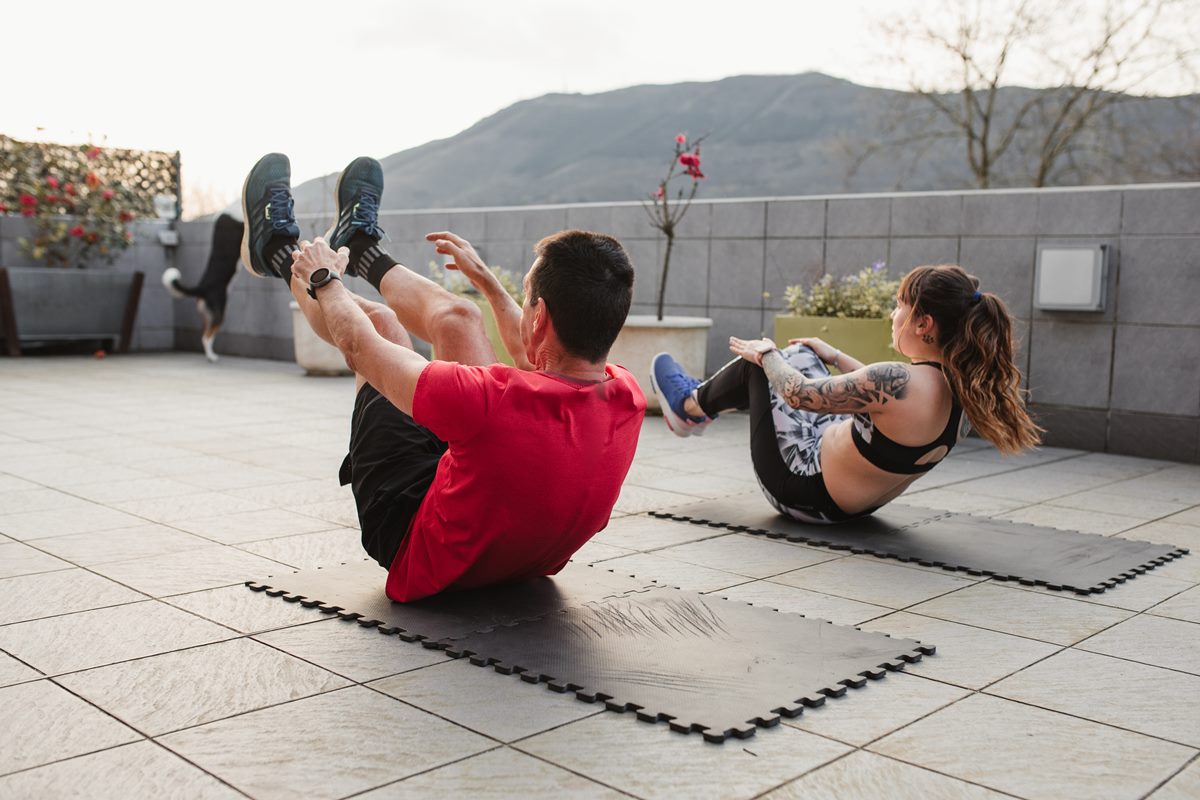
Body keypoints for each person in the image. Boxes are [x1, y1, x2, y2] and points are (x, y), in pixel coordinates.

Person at [239, 153, 644, 601]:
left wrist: (324, 277)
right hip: (512, 545)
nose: (523, 304)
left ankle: (276, 249)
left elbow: (359, 347)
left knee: (380, 328)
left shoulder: (492, 400)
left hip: (415, 538)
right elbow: (531, 349)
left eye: (527, 297)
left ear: (541, 315)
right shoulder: (625, 392)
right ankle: (361, 245)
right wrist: (488, 283)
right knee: (460, 315)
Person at [650, 265, 1042, 524]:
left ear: (923, 324)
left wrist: (765, 353)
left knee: (765, 366)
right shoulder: (966, 391)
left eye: (899, 307)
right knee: (803, 353)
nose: (893, 316)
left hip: (799, 488)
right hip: (856, 504)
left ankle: (690, 408)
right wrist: (834, 356)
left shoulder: (899, 379)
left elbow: (798, 395)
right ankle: (704, 403)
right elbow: (883, 402)